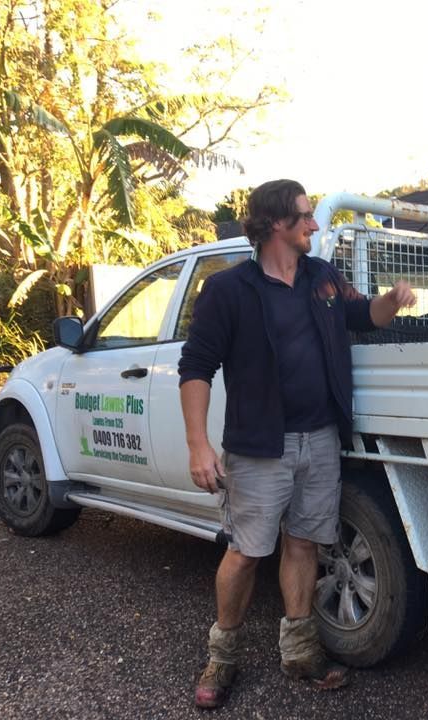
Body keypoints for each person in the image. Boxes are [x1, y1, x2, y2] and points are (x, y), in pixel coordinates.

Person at [178, 179, 415, 709]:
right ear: (275, 225)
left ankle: (300, 651)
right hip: (260, 446)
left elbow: (364, 317)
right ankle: (222, 655)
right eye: (305, 216)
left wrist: (391, 302)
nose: (313, 224)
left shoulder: (322, 279)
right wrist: (199, 444)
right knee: (244, 553)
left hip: (321, 439)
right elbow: (195, 367)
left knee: (305, 543)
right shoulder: (229, 290)